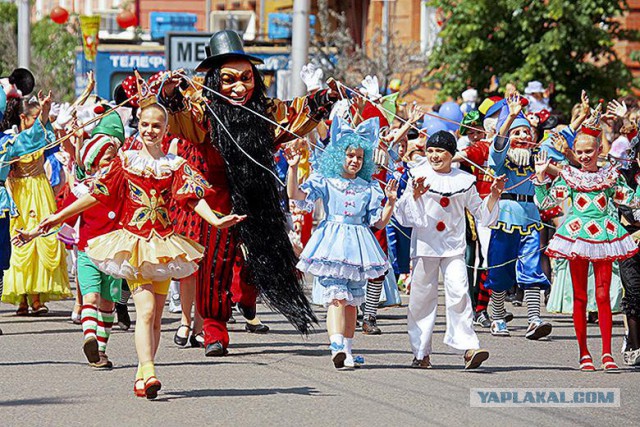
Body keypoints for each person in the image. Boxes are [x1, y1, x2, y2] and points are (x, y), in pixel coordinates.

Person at [37, 102, 245, 399]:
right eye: (145, 124)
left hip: (164, 246)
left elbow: (191, 197)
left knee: (156, 319)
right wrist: (58, 217)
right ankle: (149, 371)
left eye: (156, 125)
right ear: (139, 124)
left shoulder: (175, 164)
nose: (150, 130)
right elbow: (98, 194)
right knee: (145, 311)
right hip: (133, 246)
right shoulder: (125, 161)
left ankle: (141, 374)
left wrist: (216, 219)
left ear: (165, 129)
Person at [159, 30, 335, 355]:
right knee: (214, 265)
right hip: (218, 197)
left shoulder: (264, 110)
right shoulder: (204, 112)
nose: (239, 87)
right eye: (229, 80)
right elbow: (182, 119)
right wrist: (170, 96)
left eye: (245, 78)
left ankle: (246, 297)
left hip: (257, 195)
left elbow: (294, 115)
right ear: (215, 80)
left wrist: (322, 99)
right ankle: (214, 331)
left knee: (260, 260)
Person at [287, 117, 397, 369]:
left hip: (359, 244)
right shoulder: (326, 180)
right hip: (332, 243)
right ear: (339, 155)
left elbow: (378, 223)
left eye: (359, 156)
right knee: (337, 297)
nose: (355, 161)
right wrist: (293, 168)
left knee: (351, 302)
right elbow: (295, 195)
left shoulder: (369, 187)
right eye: (350, 155)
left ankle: (346, 351)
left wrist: (390, 203)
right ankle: (336, 345)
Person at [15, 115, 124, 368]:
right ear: (95, 163)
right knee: (92, 298)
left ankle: (102, 350)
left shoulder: (121, 188)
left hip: (115, 255)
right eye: (107, 160)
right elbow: (58, 217)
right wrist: (31, 233)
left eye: (114, 159)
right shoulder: (82, 190)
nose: (112, 164)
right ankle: (89, 339)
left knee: (108, 303)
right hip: (87, 253)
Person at [395, 130, 505, 369]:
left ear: (451, 154)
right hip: (425, 245)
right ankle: (421, 351)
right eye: (431, 151)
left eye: (440, 151)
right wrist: (414, 195)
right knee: (422, 299)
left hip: (453, 246)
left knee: (459, 292)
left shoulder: (464, 180)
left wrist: (494, 196)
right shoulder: (416, 174)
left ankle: (468, 347)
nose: (434, 156)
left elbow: (481, 214)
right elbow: (402, 215)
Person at [534, 132, 639, 371]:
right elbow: (548, 204)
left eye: (588, 151)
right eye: (579, 152)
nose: (584, 156)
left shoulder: (610, 176)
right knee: (580, 296)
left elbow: (632, 200)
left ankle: (606, 353)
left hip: (604, 234)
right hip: (576, 236)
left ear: (599, 149)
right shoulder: (569, 176)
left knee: (602, 297)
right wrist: (541, 178)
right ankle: (584, 354)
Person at [485, 94, 552, 339]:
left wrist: (542, 177)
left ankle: (534, 319)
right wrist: (511, 116)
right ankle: (498, 316)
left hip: (531, 218)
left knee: (533, 268)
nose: (523, 137)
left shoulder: (537, 161)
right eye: (517, 133)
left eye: (526, 133)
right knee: (500, 269)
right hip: (505, 216)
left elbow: (545, 201)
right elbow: (498, 144)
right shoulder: (502, 161)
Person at [1, 89, 71, 313]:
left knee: (42, 240)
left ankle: (37, 298)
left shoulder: (31, 138)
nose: (39, 122)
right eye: (34, 117)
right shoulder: (10, 141)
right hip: (18, 193)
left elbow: (44, 137)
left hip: (40, 191)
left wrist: (45, 111)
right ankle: (21, 299)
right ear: (22, 118)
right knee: (19, 243)